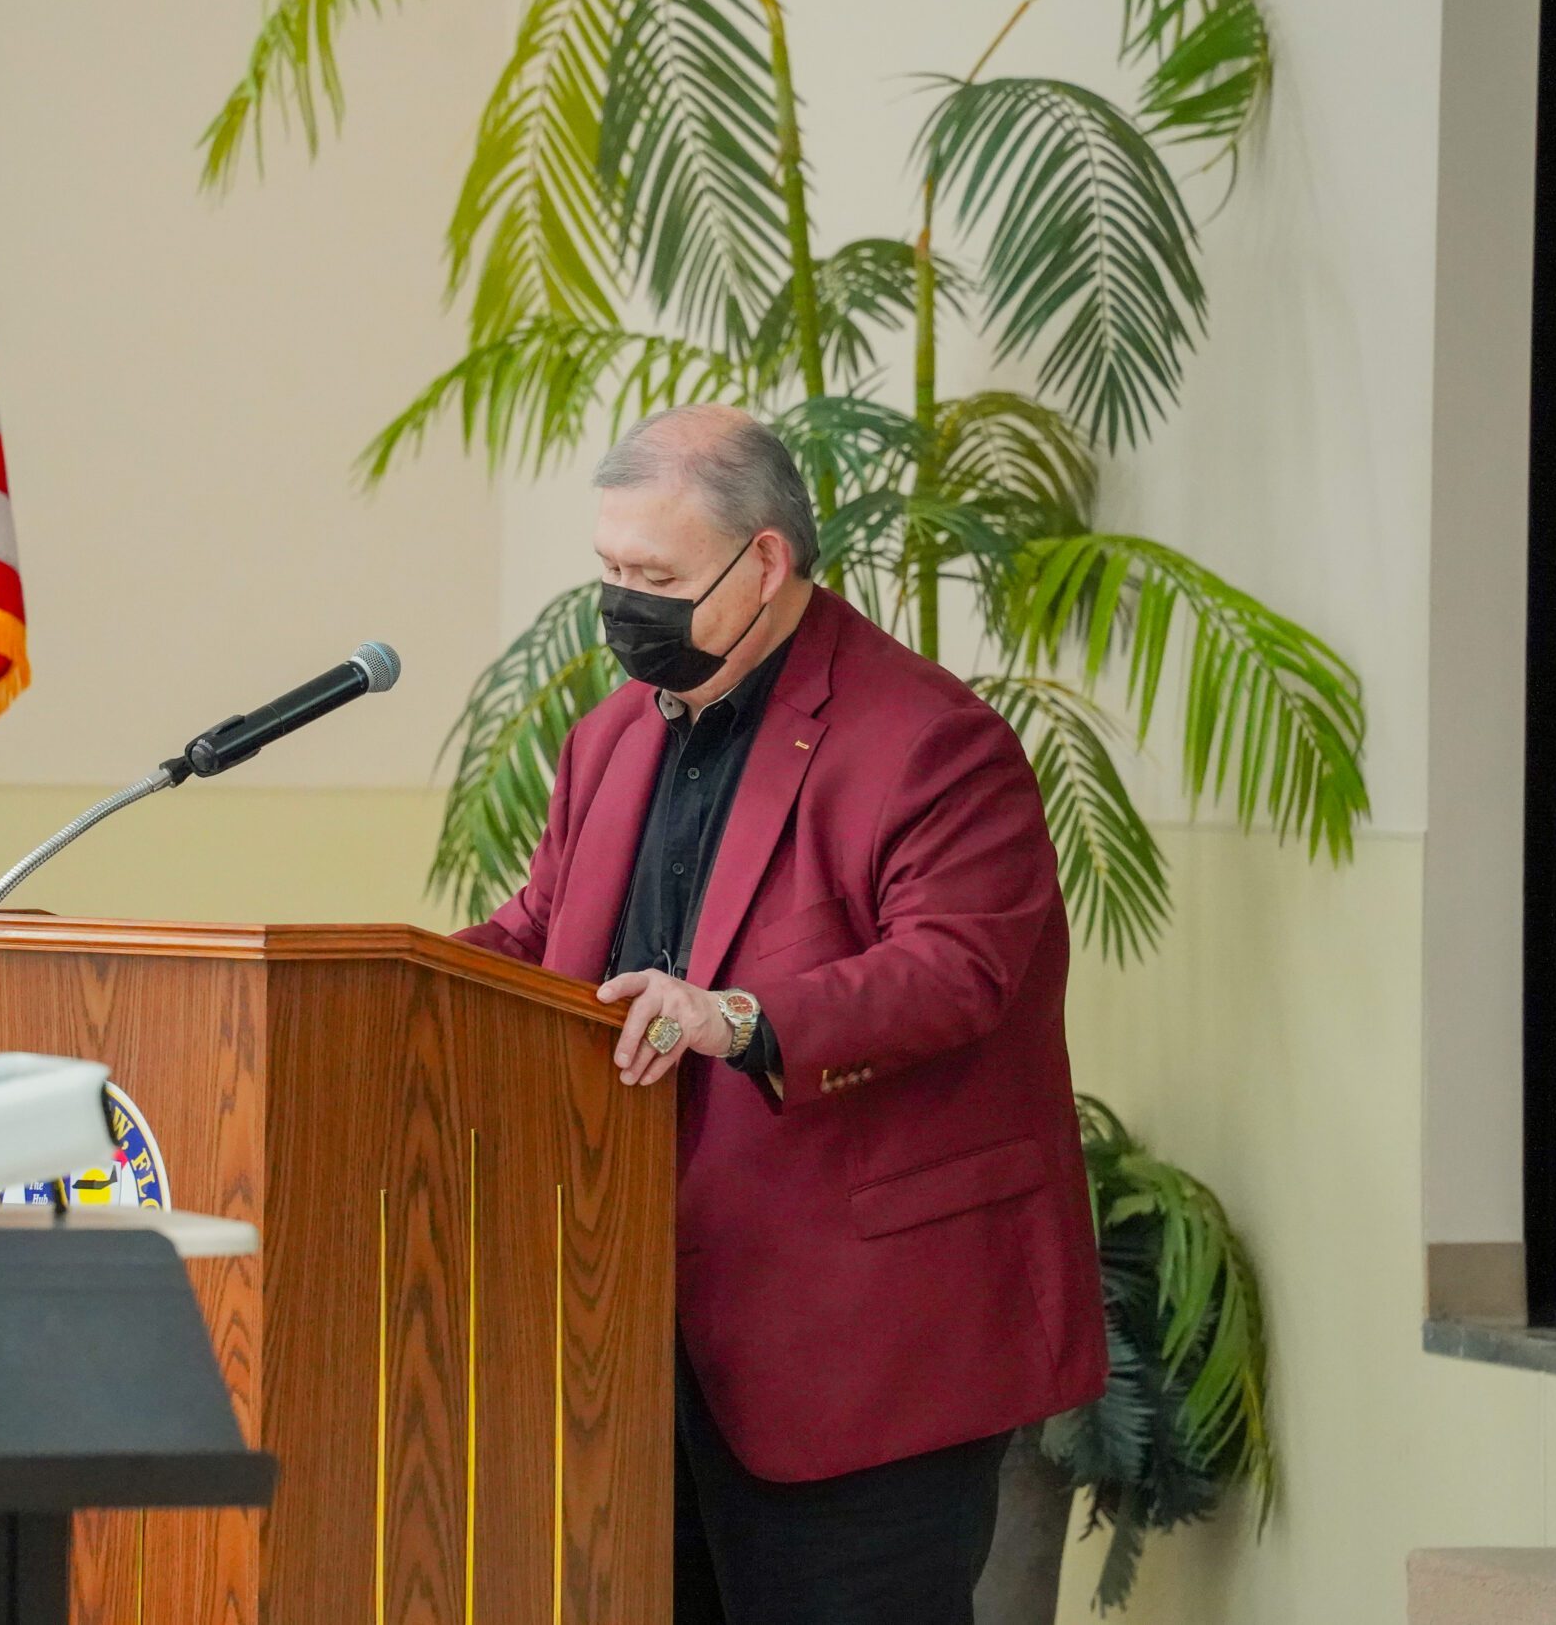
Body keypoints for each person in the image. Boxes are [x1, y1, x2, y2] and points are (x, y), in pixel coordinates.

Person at [454, 404, 1106, 1625]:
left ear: (763, 561)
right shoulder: (609, 740)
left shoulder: (930, 740)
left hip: (859, 1347)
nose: (623, 606)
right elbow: (539, 933)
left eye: (655, 579)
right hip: (635, 1337)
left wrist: (736, 1018)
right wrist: (380, 977)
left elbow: (958, 967)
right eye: (609, 571)